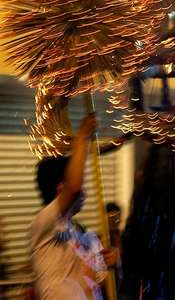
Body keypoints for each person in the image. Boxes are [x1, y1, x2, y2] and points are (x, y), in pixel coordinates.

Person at [29, 114, 120, 300]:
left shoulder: (86, 237)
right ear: (60, 189)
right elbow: (74, 188)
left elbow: (106, 284)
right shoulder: (44, 225)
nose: (84, 191)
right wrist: (82, 136)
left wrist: (114, 264)